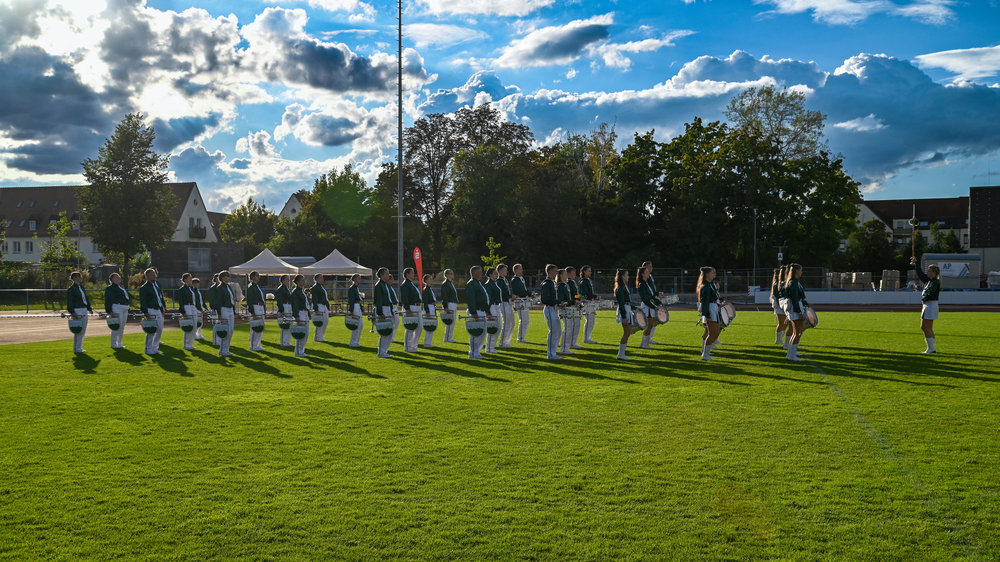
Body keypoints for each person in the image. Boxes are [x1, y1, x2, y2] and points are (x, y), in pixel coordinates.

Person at [912, 257, 941, 353]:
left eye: (929, 271)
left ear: (934, 272)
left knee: (924, 327)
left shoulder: (934, 282)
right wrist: (916, 263)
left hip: (930, 305)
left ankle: (931, 348)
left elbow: (931, 293)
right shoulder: (929, 281)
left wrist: (924, 299)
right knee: (928, 327)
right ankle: (931, 347)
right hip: (929, 305)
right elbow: (920, 274)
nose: (927, 272)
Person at [783, 263, 808, 362]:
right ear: (796, 271)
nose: (801, 272)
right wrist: (799, 312)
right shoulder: (793, 283)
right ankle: (791, 355)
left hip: (796, 308)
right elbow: (794, 299)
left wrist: (806, 304)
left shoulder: (794, 282)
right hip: (795, 309)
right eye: (800, 270)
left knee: (797, 332)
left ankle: (792, 353)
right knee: (797, 333)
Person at [138, 268, 166, 355]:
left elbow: (159, 298)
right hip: (151, 309)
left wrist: (162, 308)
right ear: (147, 276)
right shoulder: (144, 288)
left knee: (159, 329)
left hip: (158, 310)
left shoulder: (156, 286)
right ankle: (148, 348)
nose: (155, 276)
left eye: (155, 275)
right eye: (152, 275)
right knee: (151, 330)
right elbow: (143, 301)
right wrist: (145, 311)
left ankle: (155, 347)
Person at [697, 267, 721, 361]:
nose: (713, 274)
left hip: (714, 307)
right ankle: (705, 354)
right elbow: (705, 302)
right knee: (712, 334)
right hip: (710, 309)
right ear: (707, 274)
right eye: (712, 273)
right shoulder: (706, 286)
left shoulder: (711, 284)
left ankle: (707, 352)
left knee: (715, 333)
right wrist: (706, 315)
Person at [66, 271, 93, 354]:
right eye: (78, 276)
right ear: (74, 278)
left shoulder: (81, 287)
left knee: (83, 330)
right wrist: (72, 311)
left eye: (80, 276)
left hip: (84, 309)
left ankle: (80, 347)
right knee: (78, 330)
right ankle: (76, 348)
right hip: (77, 309)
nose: (80, 278)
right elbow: (70, 301)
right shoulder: (71, 289)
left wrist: (89, 308)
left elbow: (85, 299)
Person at [466, 266, 489, 359]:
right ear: (475, 273)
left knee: (482, 332)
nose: (482, 273)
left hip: (482, 311)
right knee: (475, 333)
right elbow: (471, 298)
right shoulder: (471, 284)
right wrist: (473, 312)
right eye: (480, 272)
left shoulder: (478, 283)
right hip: (477, 311)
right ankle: (473, 352)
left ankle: (477, 351)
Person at [540, 264, 563, 360]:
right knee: (553, 331)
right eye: (555, 271)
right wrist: (558, 302)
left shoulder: (552, 283)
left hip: (554, 308)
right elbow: (545, 299)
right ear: (550, 272)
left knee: (558, 331)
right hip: (550, 308)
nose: (557, 273)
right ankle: (550, 354)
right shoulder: (547, 283)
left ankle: (553, 352)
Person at [104, 272, 130, 349]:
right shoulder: (110, 288)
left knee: (122, 327)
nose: (119, 278)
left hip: (124, 308)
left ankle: (119, 343)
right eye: (117, 277)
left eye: (119, 276)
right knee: (117, 326)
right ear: (112, 279)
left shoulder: (120, 288)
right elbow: (108, 300)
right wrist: (109, 310)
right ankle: (113, 343)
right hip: (117, 307)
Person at [400, 268, 423, 353]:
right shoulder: (405, 285)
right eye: (412, 273)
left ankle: (414, 346)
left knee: (420, 327)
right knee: (410, 327)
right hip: (411, 307)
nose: (414, 274)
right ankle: (408, 347)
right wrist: (407, 308)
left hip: (417, 307)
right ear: (407, 274)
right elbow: (404, 297)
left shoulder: (411, 284)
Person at [373, 267, 394, 358]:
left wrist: (392, 311)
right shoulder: (379, 285)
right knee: (384, 332)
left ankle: (385, 351)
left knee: (389, 331)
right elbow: (379, 300)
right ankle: (381, 352)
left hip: (388, 308)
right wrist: (381, 313)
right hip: (383, 309)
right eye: (386, 273)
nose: (388, 275)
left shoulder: (385, 285)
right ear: (381, 275)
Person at [614, 269, 634, 360]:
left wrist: (635, 308)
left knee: (628, 332)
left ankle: (622, 353)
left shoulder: (624, 286)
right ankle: (621, 354)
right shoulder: (621, 288)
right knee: (627, 332)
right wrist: (624, 316)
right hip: (625, 310)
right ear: (622, 276)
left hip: (627, 308)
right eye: (626, 275)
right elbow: (621, 303)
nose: (628, 276)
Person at [216, 270, 236, 357]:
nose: (229, 277)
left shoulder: (229, 287)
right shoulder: (220, 287)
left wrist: (234, 311)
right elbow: (219, 301)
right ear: (222, 277)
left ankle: (226, 349)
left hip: (230, 309)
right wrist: (219, 313)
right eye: (227, 276)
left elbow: (232, 299)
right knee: (226, 330)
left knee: (231, 330)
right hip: (224, 309)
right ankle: (222, 350)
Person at [637, 267, 659, 350]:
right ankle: (644, 344)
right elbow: (645, 298)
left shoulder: (646, 283)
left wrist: (658, 302)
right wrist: (653, 306)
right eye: (646, 272)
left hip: (649, 305)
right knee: (649, 326)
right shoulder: (642, 284)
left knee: (650, 325)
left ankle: (643, 343)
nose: (648, 273)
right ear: (642, 274)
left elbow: (651, 296)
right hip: (647, 307)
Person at [510, 264, 532, 343]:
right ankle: (520, 338)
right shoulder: (515, 280)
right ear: (516, 271)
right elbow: (520, 291)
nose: (522, 270)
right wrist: (529, 293)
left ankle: (522, 337)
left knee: (526, 321)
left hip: (524, 300)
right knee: (523, 320)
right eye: (520, 269)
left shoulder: (520, 278)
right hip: (520, 300)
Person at [177, 273, 199, 351]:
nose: (191, 279)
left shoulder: (191, 288)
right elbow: (181, 301)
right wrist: (183, 312)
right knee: (189, 326)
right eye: (189, 278)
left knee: (194, 326)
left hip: (193, 307)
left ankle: (191, 343)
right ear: (185, 279)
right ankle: (186, 344)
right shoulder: (182, 289)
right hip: (187, 307)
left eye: (191, 278)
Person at [291, 274, 310, 358]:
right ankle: (298, 351)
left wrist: (309, 313)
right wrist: (296, 316)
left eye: (304, 280)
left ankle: (302, 350)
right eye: (302, 280)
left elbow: (306, 303)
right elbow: (295, 304)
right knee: (301, 332)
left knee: (306, 333)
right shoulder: (295, 292)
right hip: (300, 312)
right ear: (297, 282)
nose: (304, 281)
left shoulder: (302, 291)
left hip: (305, 312)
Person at [643, 261, 663, 345]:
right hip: (648, 302)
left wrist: (657, 294)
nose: (652, 268)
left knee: (653, 322)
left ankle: (648, 339)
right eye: (650, 266)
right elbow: (647, 292)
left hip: (651, 300)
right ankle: (645, 342)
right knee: (650, 323)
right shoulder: (644, 280)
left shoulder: (650, 276)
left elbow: (651, 290)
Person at [246, 271, 266, 352]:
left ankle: (257, 344)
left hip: (260, 306)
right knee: (256, 326)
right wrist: (252, 311)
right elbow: (249, 299)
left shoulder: (257, 286)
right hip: (256, 306)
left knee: (260, 326)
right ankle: (253, 345)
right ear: (252, 277)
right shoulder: (251, 286)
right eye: (257, 276)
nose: (258, 277)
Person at [484, 268, 502, 354]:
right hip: (492, 306)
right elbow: (488, 299)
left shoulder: (494, 283)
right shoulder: (488, 285)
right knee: (493, 327)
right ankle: (489, 348)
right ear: (490, 274)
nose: (497, 274)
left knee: (498, 327)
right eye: (495, 273)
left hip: (497, 306)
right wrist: (488, 311)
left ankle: (492, 347)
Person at [496, 264, 515, 348]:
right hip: (504, 303)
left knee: (512, 323)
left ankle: (507, 342)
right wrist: (511, 297)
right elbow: (501, 295)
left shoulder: (504, 280)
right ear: (500, 271)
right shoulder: (499, 281)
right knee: (507, 323)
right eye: (505, 270)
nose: (506, 271)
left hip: (508, 303)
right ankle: (502, 343)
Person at [565, 267, 583, 351]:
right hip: (572, 306)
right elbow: (572, 295)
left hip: (574, 304)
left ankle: (573, 342)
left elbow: (575, 295)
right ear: (568, 274)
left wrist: (580, 297)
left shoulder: (572, 282)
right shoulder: (569, 283)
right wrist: (578, 298)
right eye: (573, 273)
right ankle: (572, 342)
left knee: (576, 324)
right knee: (574, 324)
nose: (574, 274)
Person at [579, 265, 599, 344]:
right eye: (589, 271)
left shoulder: (587, 280)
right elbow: (585, 294)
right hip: (587, 302)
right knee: (589, 320)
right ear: (584, 272)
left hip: (589, 302)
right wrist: (594, 296)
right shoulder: (584, 281)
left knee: (591, 321)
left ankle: (588, 337)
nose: (590, 272)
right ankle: (586, 338)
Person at [770, 268, 788, 346]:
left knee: (785, 323)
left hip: (781, 305)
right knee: (781, 323)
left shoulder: (777, 283)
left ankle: (780, 338)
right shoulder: (778, 284)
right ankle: (778, 339)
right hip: (780, 305)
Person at [441, 269, 459, 343]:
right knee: (450, 322)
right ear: (447, 275)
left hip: (453, 304)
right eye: (451, 273)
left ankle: (449, 337)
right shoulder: (446, 283)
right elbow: (444, 296)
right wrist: (445, 306)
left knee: (453, 322)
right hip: (449, 303)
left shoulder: (451, 283)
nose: (453, 275)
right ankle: (447, 338)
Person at [275, 274, 293, 347]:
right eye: (287, 279)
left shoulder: (287, 288)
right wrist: (281, 310)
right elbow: (279, 300)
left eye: (288, 279)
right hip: (284, 305)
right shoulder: (280, 289)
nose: (288, 280)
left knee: (289, 324)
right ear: (282, 280)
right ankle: (283, 342)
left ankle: (287, 341)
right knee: (284, 325)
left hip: (289, 306)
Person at [310, 274, 329, 343]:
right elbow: (314, 298)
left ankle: (321, 336)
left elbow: (325, 298)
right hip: (319, 305)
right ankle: (317, 337)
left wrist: (328, 306)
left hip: (324, 305)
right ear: (317, 279)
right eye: (321, 278)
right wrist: (315, 308)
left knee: (325, 321)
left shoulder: (321, 287)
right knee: (320, 322)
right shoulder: (315, 288)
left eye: (322, 277)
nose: (322, 279)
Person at [347, 274, 364, 348]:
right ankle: (353, 342)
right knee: (357, 325)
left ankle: (356, 341)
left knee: (361, 325)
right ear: (354, 279)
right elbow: (351, 300)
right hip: (355, 306)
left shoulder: (356, 288)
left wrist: (361, 308)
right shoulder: (352, 288)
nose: (360, 280)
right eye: (358, 278)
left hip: (357, 306)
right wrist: (351, 310)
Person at [421, 273, 436, 348]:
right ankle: (427, 343)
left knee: (432, 324)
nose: (432, 280)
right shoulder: (426, 289)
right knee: (429, 325)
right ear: (426, 280)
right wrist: (427, 311)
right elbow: (425, 301)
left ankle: (429, 342)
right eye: (430, 279)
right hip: (429, 306)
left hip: (432, 306)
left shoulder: (430, 288)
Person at [209, 273, 222, 346]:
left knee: (220, 324)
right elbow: (212, 299)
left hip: (220, 308)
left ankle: (219, 339)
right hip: (215, 308)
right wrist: (214, 308)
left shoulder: (221, 287)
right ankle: (215, 341)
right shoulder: (213, 288)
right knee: (216, 325)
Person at [388, 274, 400, 344]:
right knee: (393, 321)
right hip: (392, 306)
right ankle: (390, 336)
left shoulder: (390, 287)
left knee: (397, 321)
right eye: (391, 279)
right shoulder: (388, 287)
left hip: (395, 306)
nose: (392, 280)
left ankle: (392, 336)